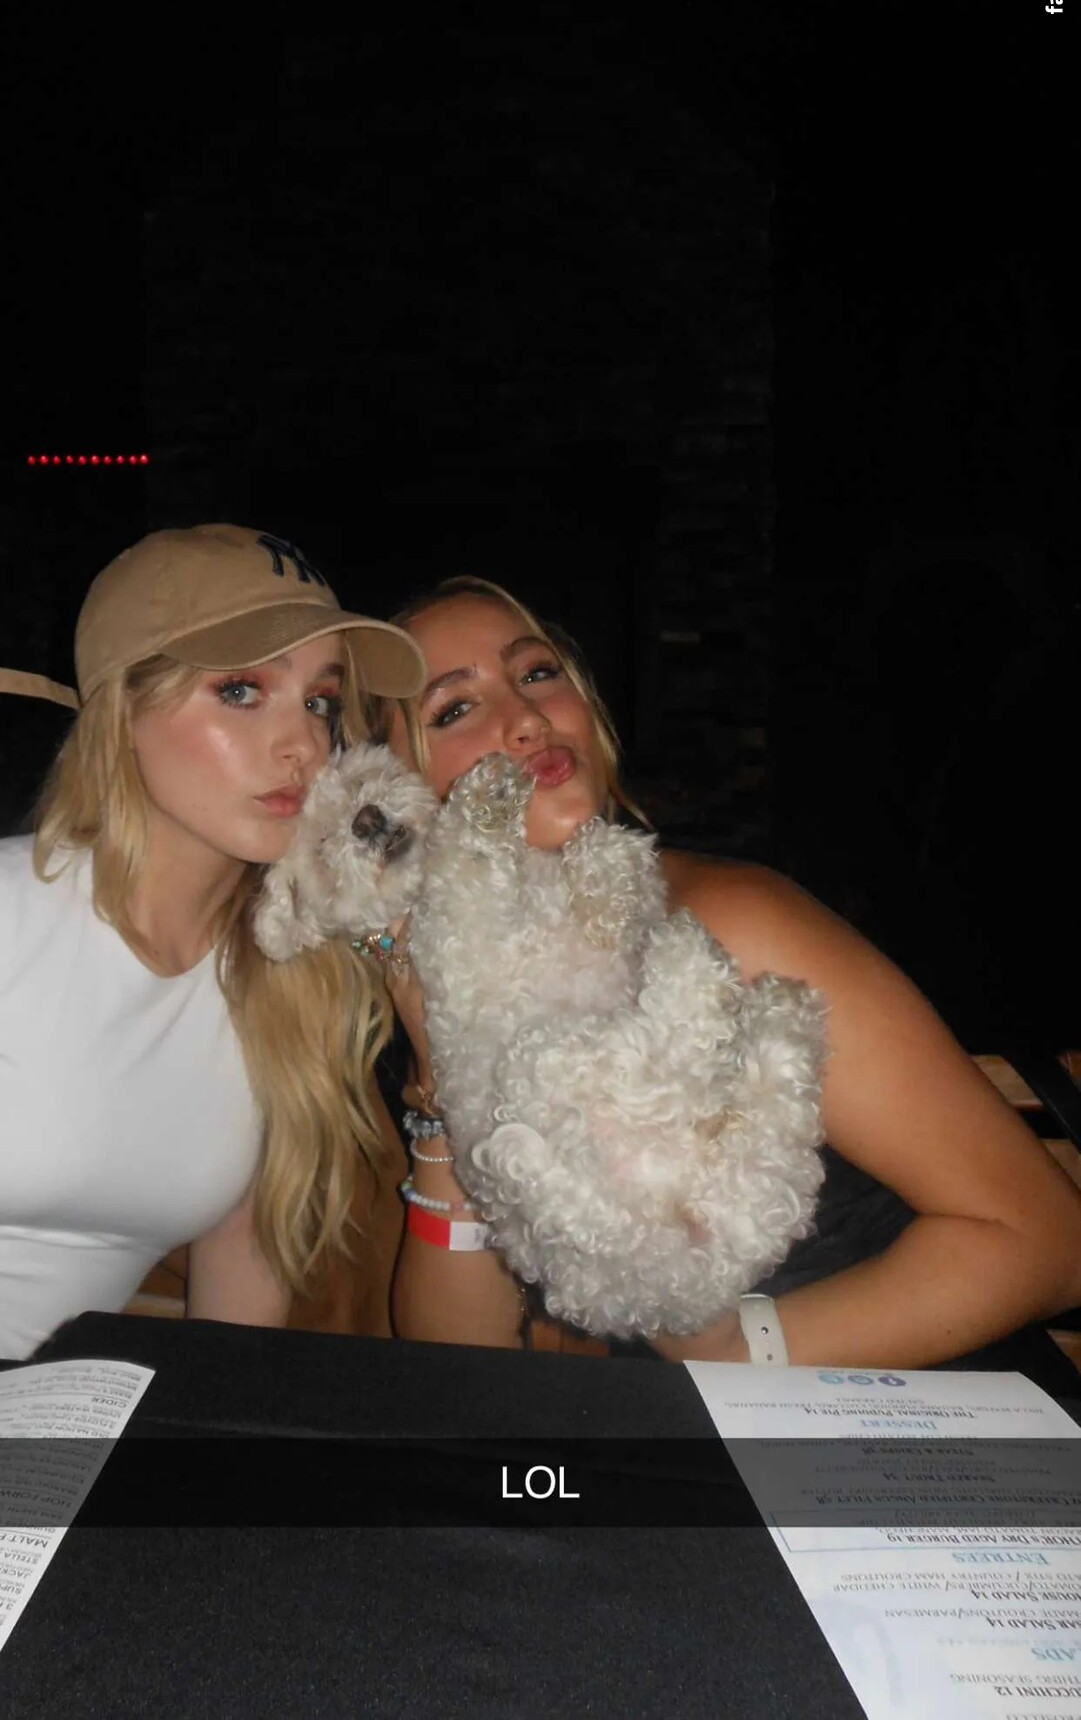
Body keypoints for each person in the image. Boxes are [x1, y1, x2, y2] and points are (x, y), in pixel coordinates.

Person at [369, 575, 1081, 1380]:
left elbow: (1044, 1240)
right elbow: (462, 1368)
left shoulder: (733, 920)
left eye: (536, 672)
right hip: (709, 1434)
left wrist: (742, 1354)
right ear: (391, 799)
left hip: (926, 1411)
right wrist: (443, 1089)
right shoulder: (469, 998)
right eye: (454, 709)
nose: (527, 718)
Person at [0, 523, 425, 1360]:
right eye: (240, 690)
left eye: (319, 702)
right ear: (122, 710)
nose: (303, 744)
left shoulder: (290, 985)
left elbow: (236, 1316)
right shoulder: (13, 919)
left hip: (61, 1423)